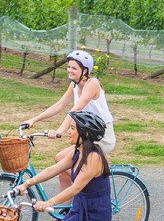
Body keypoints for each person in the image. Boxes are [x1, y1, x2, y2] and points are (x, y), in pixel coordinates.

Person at [22, 48, 115, 194]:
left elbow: (76, 109)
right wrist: (34, 119)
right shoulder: (74, 84)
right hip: (87, 134)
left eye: (74, 68)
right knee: (61, 161)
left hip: (102, 136)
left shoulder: (92, 83)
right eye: (69, 67)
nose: (69, 70)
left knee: (75, 167)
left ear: (84, 71)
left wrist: (60, 131)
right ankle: (64, 210)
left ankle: (88, 195)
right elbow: (59, 105)